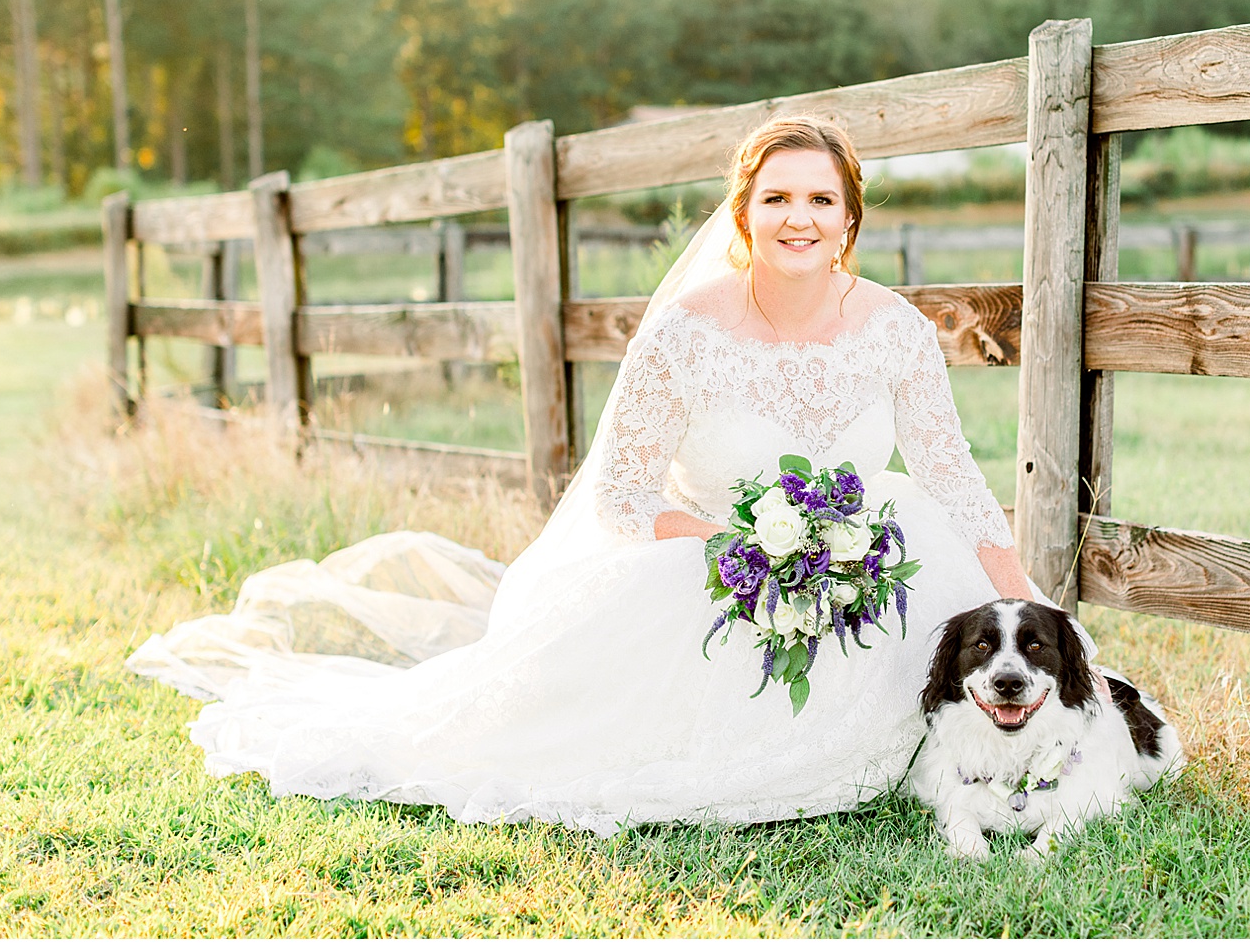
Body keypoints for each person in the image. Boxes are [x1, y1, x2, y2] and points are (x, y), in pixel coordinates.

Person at [129, 115, 1077, 835]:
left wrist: (1033, 606)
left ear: (850, 219)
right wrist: (746, 550)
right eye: (778, 197)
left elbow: (952, 478)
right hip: (712, 574)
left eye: (822, 199)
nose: (800, 217)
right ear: (744, 213)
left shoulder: (895, 330)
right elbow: (623, 494)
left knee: (944, 569)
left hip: (871, 568)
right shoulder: (687, 331)